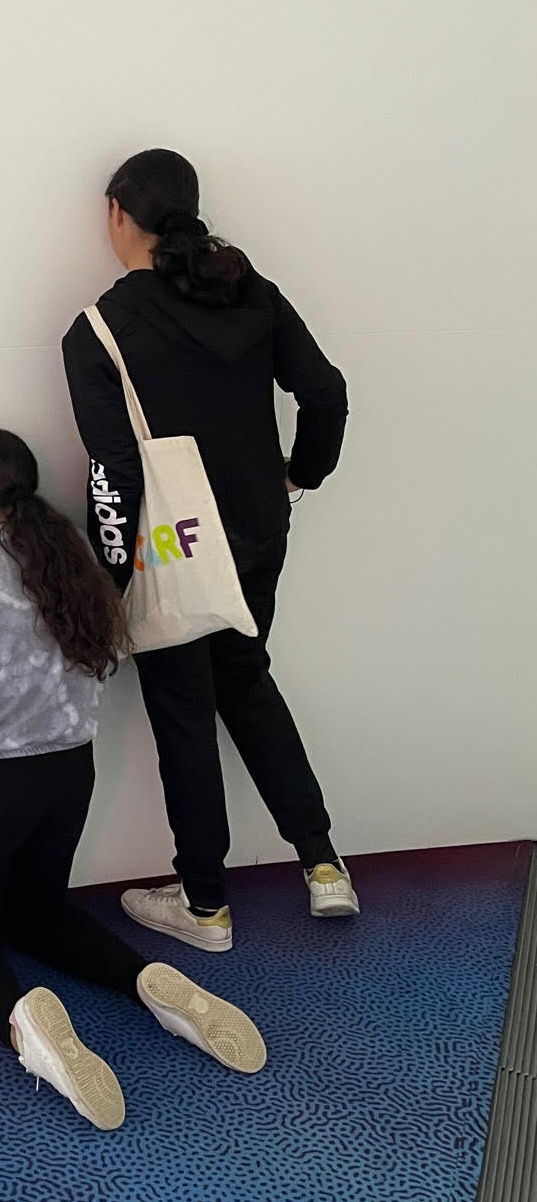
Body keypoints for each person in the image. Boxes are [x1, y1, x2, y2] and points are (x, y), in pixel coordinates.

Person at [0, 428, 266, 1131]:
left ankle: (26, 1024)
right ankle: (148, 982)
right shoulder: (67, 552)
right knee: (39, 911)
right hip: (67, 776)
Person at [62, 148, 356, 955]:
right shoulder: (248, 289)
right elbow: (324, 392)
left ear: (117, 213)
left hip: (172, 547)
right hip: (260, 530)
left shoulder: (98, 331)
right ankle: (324, 864)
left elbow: (113, 474)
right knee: (248, 682)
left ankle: (205, 905)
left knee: (185, 716)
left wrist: (112, 578)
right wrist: (304, 475)